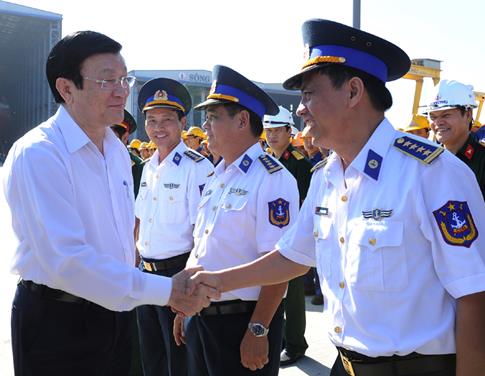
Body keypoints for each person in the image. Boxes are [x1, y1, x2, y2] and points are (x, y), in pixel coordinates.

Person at [189, 19, 485, 376]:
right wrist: (217, 281)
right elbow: (293, 256)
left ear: (353, 92)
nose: (300, 109)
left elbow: (475, 295)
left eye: (309, 94)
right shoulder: (327, 176)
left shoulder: (431, 174)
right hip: (344, 365)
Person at [1, 30, 218, 376]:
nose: (122, 91)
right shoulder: (40, 154)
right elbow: (68, 260)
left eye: (124, 79)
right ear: (66, 88)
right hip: (59, 321)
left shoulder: (116, 151)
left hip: (116, 311)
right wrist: (167, 290)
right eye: (106, 81)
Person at [174, 65, 299, 376]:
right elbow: (203, 246)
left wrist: (258, 329)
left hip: (241, 322)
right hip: (202, 317)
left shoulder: (272, 179)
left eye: (214, 117)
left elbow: (278, 264)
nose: (205, 126)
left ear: (243, 120)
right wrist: (186, 305)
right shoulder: (218, 176)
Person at [135, 77, 213, 376]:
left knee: (179, 360)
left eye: (167, 120)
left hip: (177, 273)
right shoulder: (148, 166)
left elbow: (202, 233)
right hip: (146, 275)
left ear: (183, 121)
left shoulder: (198, 167)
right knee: (152, 358)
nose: (158, 128)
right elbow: (140, 219)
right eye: (152, 120)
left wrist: (189, 287)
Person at [263, 106, 313, 366]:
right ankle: (282, 338)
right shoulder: (264, 161)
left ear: (288, 132)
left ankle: (295, 344)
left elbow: (305, 206)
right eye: (268, 131)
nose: (271, 136)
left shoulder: (299, 163)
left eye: (276, 131)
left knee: (292, 295)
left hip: (292, 239)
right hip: (268, 238)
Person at [426, 80, 485, 199]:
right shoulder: (426, 160)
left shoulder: (482, 158)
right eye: (433, 117)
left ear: (468, 115)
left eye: (446, 115)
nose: (438, 123)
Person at [111, 109, 144, 198]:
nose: (106, 141)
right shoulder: (97, 160)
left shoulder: (138, 166)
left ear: (125, 138)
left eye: (111, 137)